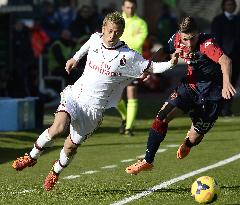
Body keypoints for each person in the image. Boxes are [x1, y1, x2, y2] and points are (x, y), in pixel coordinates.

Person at [12, 12, 179, 191]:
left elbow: (151, 66)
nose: (112, 35)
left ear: (121, 32)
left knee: (70, 147)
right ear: (103, 29)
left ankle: (55, 171)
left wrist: (171, 64)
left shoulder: (128, 56)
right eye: (109, 31)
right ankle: (31, 156)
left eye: (117, 32)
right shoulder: (95, 39)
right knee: (58, 128)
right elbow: (87, 45)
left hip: (94, 110)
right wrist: (75, 58)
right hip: (75, 96)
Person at [125, 16, 236, 175]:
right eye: (185, 39)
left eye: (192, 38)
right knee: (161, 117)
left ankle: (188, 143)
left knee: (195, 136)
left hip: (212, 95)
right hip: (189, 88)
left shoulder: (207, 44)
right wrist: (149, 68)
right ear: (180, 35)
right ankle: (147, 161)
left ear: (198, 33)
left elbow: (226, 61)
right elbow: (163, 51)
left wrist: (226, 83)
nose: (189, 43)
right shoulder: (176, 39)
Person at [117, 0, 148, 136]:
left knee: (131, 93)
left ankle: (129, 127)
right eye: (127, 7)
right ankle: (125, 117)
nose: (130, 10)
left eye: (132, 7)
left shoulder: (141, 23)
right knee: (115, 96)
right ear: (123, 7)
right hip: (116, 62)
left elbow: (137, 42)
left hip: (133, 63)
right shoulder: (116, 20)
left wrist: (122, 43)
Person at [211, 0, 240, 117]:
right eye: (228, 4)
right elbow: (215, 39)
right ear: (223, 6)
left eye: (232, 4)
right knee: (221, 83)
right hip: (223, 57)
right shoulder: (218, 20)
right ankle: (218, 109)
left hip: (237, 56)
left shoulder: (238, 19)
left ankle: (227, 109)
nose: (230, 6)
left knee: (232, 83)